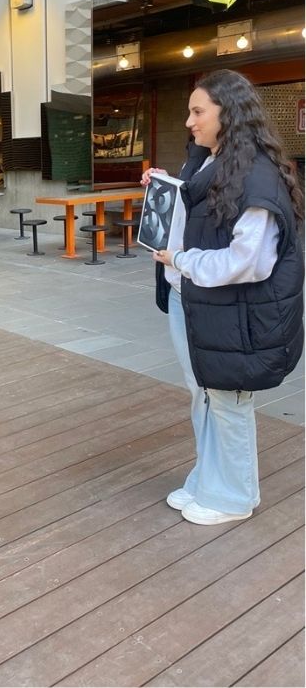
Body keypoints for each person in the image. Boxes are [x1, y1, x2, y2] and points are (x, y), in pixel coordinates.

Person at [144, 69, 303, 526]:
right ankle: (209, 479)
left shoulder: (258, 175)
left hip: (235, 312)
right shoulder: (206, 159)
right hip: (196, 301)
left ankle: (234, 495)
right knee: (206, 395)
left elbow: (246, 261)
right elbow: (197, 213)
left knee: (228, 400)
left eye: (198, 111)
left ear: (227, 113)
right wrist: (165, 188)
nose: (190, 122)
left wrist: (181, 261)